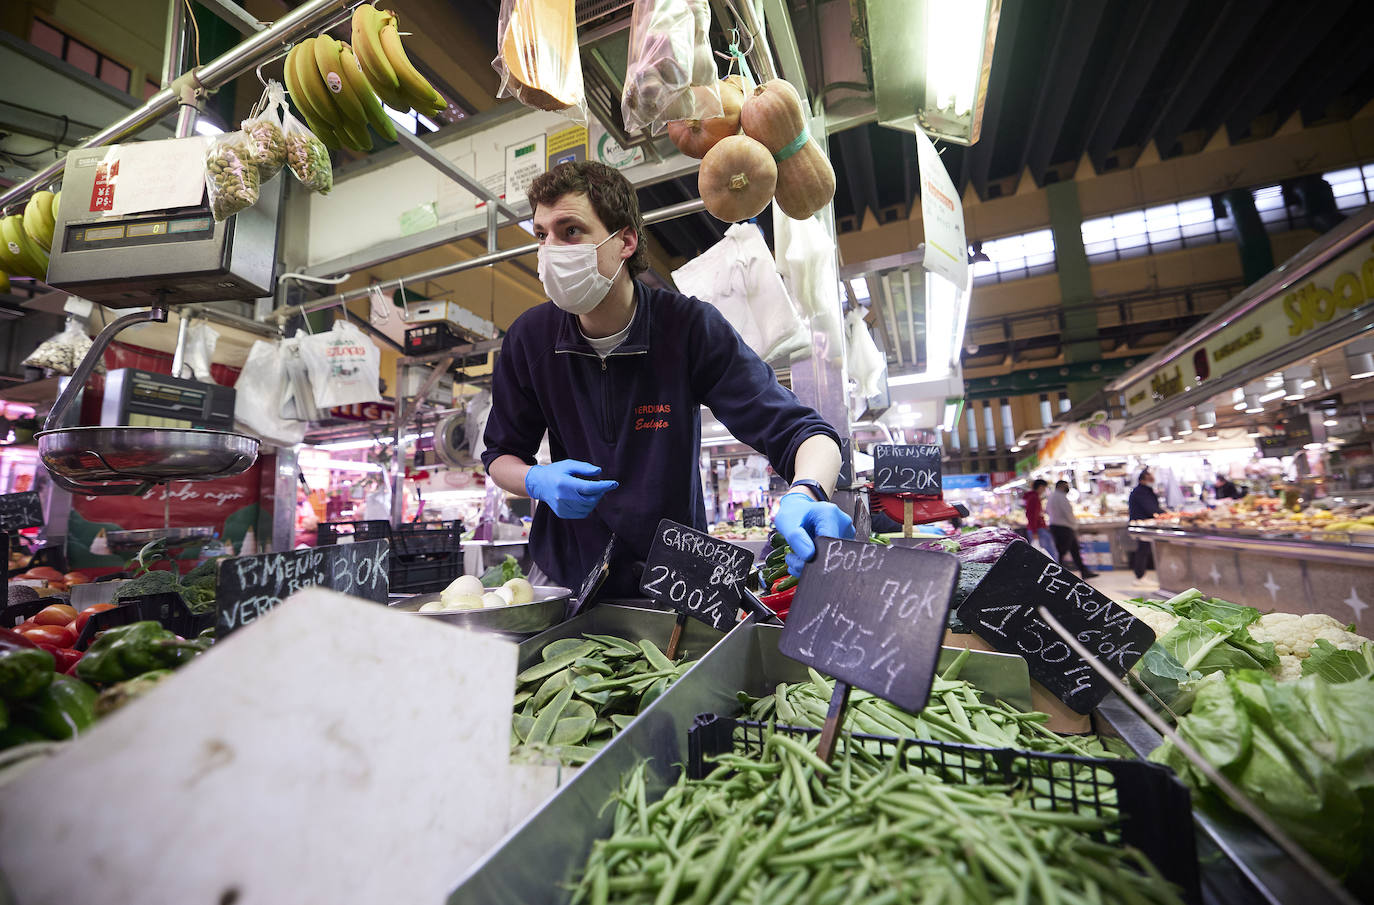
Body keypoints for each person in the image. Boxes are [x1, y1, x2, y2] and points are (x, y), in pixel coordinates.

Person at [482, 162, 853, 596]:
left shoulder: (688, 328)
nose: (550, 251)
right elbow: (500, 455)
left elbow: (804, 432)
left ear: (624, 240)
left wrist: (807, 492)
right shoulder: (530, 338)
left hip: (678, 572)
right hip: (566, 571)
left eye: (570, 232)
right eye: (541, 235)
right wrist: (534, 481)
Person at [1047, 480, 1098, 578]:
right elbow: (1068, 513)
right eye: (1066, 486)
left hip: (1056, 526)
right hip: (1064, 527)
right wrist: (1074, 525)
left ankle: (1084, 571)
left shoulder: (1052, 497)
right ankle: (1058, 573)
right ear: (1061, 486)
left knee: (1074, 549)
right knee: (1062, 551)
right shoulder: (1061, 497)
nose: (1068, 488)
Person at [1128, 469, 1163, 580]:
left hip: (1146, 524)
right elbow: (1151, 509)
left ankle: (1141, 576)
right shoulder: (1141, 492)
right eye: (1150, 479)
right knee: (1143, 550)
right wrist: (1164, 513)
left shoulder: (1145, 491)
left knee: (1144, 549)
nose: (1153, 481)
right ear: (1144, 479)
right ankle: (1140, 577)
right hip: (1142, 525)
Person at [1023, 479, 1057, 558]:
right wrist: (1034, 532)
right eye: (1044, 488)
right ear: (1041, 487)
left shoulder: (1032, 497)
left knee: (1044, 554)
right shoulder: (1034, 498)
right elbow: (1031, 516)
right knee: (1050, 554)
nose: (1044, 490)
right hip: (1038, 529)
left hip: (1036, 529)